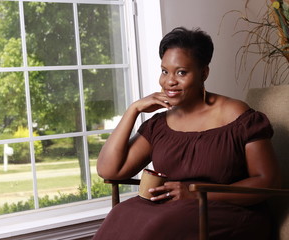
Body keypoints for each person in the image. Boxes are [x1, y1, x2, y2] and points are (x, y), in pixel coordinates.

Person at [93, 27, 281, 240]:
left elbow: (268, 181)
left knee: (158, 226)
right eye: (165, 71)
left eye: (181, 72)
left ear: (204, 73)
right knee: (121, 214)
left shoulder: (238, 116)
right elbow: (110, 170)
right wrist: (133, 110)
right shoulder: (160, 124)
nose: (169, 81)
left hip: (228, 212)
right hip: (172, 210)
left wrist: (196, 193)